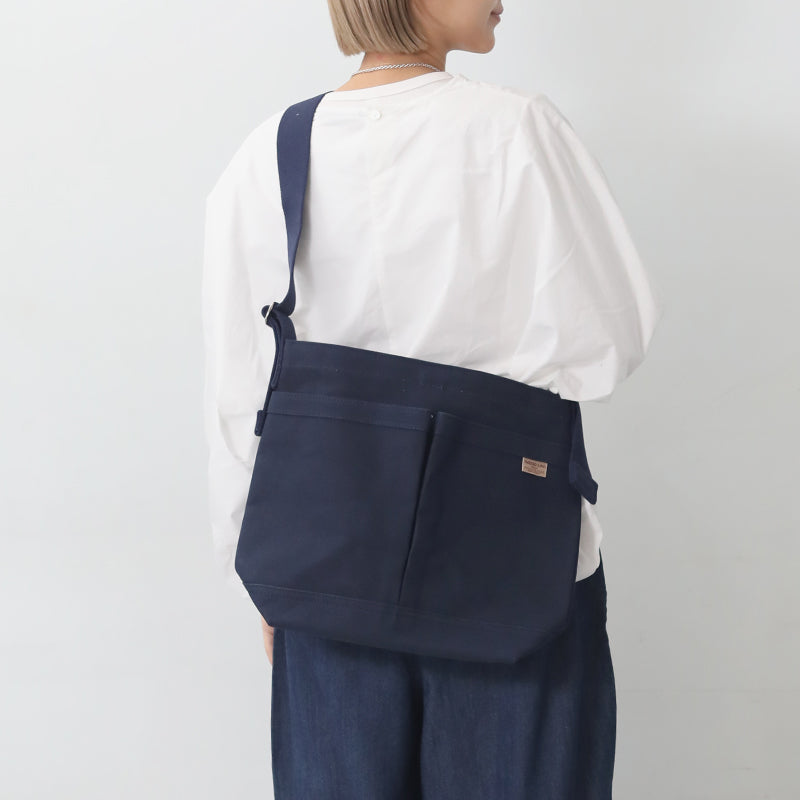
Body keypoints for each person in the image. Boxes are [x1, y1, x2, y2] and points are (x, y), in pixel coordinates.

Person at [201, 0, 664, 796]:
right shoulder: (517, 131)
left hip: (322, 571)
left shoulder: (268, 154)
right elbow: (609, 343)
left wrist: (261, 571)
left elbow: (239, 389)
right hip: (513, 568)